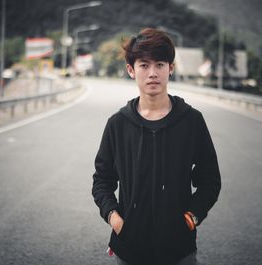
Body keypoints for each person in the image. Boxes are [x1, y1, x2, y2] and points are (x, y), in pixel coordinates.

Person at [92, 28, 221, 265]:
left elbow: (210, 179)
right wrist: (115, 219)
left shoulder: (191, 121)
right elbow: (102, 181)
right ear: (131, 70)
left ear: (170, 68)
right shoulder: (117, 124)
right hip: (128, 249)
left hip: (178, 250)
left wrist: (191, 217)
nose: (153, 73)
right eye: (144, 65)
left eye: (160, 64)